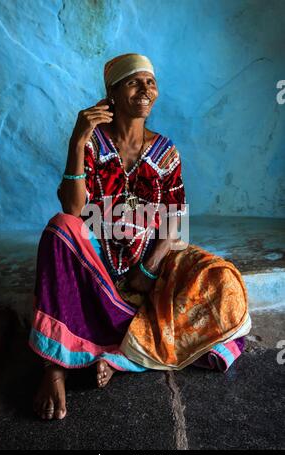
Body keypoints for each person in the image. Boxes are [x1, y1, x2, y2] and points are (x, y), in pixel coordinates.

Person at [30, 53, 251, 420]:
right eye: (134, 81)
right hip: (97, 258)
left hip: (153, 260)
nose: (145, 88)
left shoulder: (165, 153)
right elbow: (72, 209)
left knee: (220, 280)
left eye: (150, 81)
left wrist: (148, 270)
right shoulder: (92, 145)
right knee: (59, 229)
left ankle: (118, 356)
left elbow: (175, 217)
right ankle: (55, 367)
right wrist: (76, 139)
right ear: (112, 94)